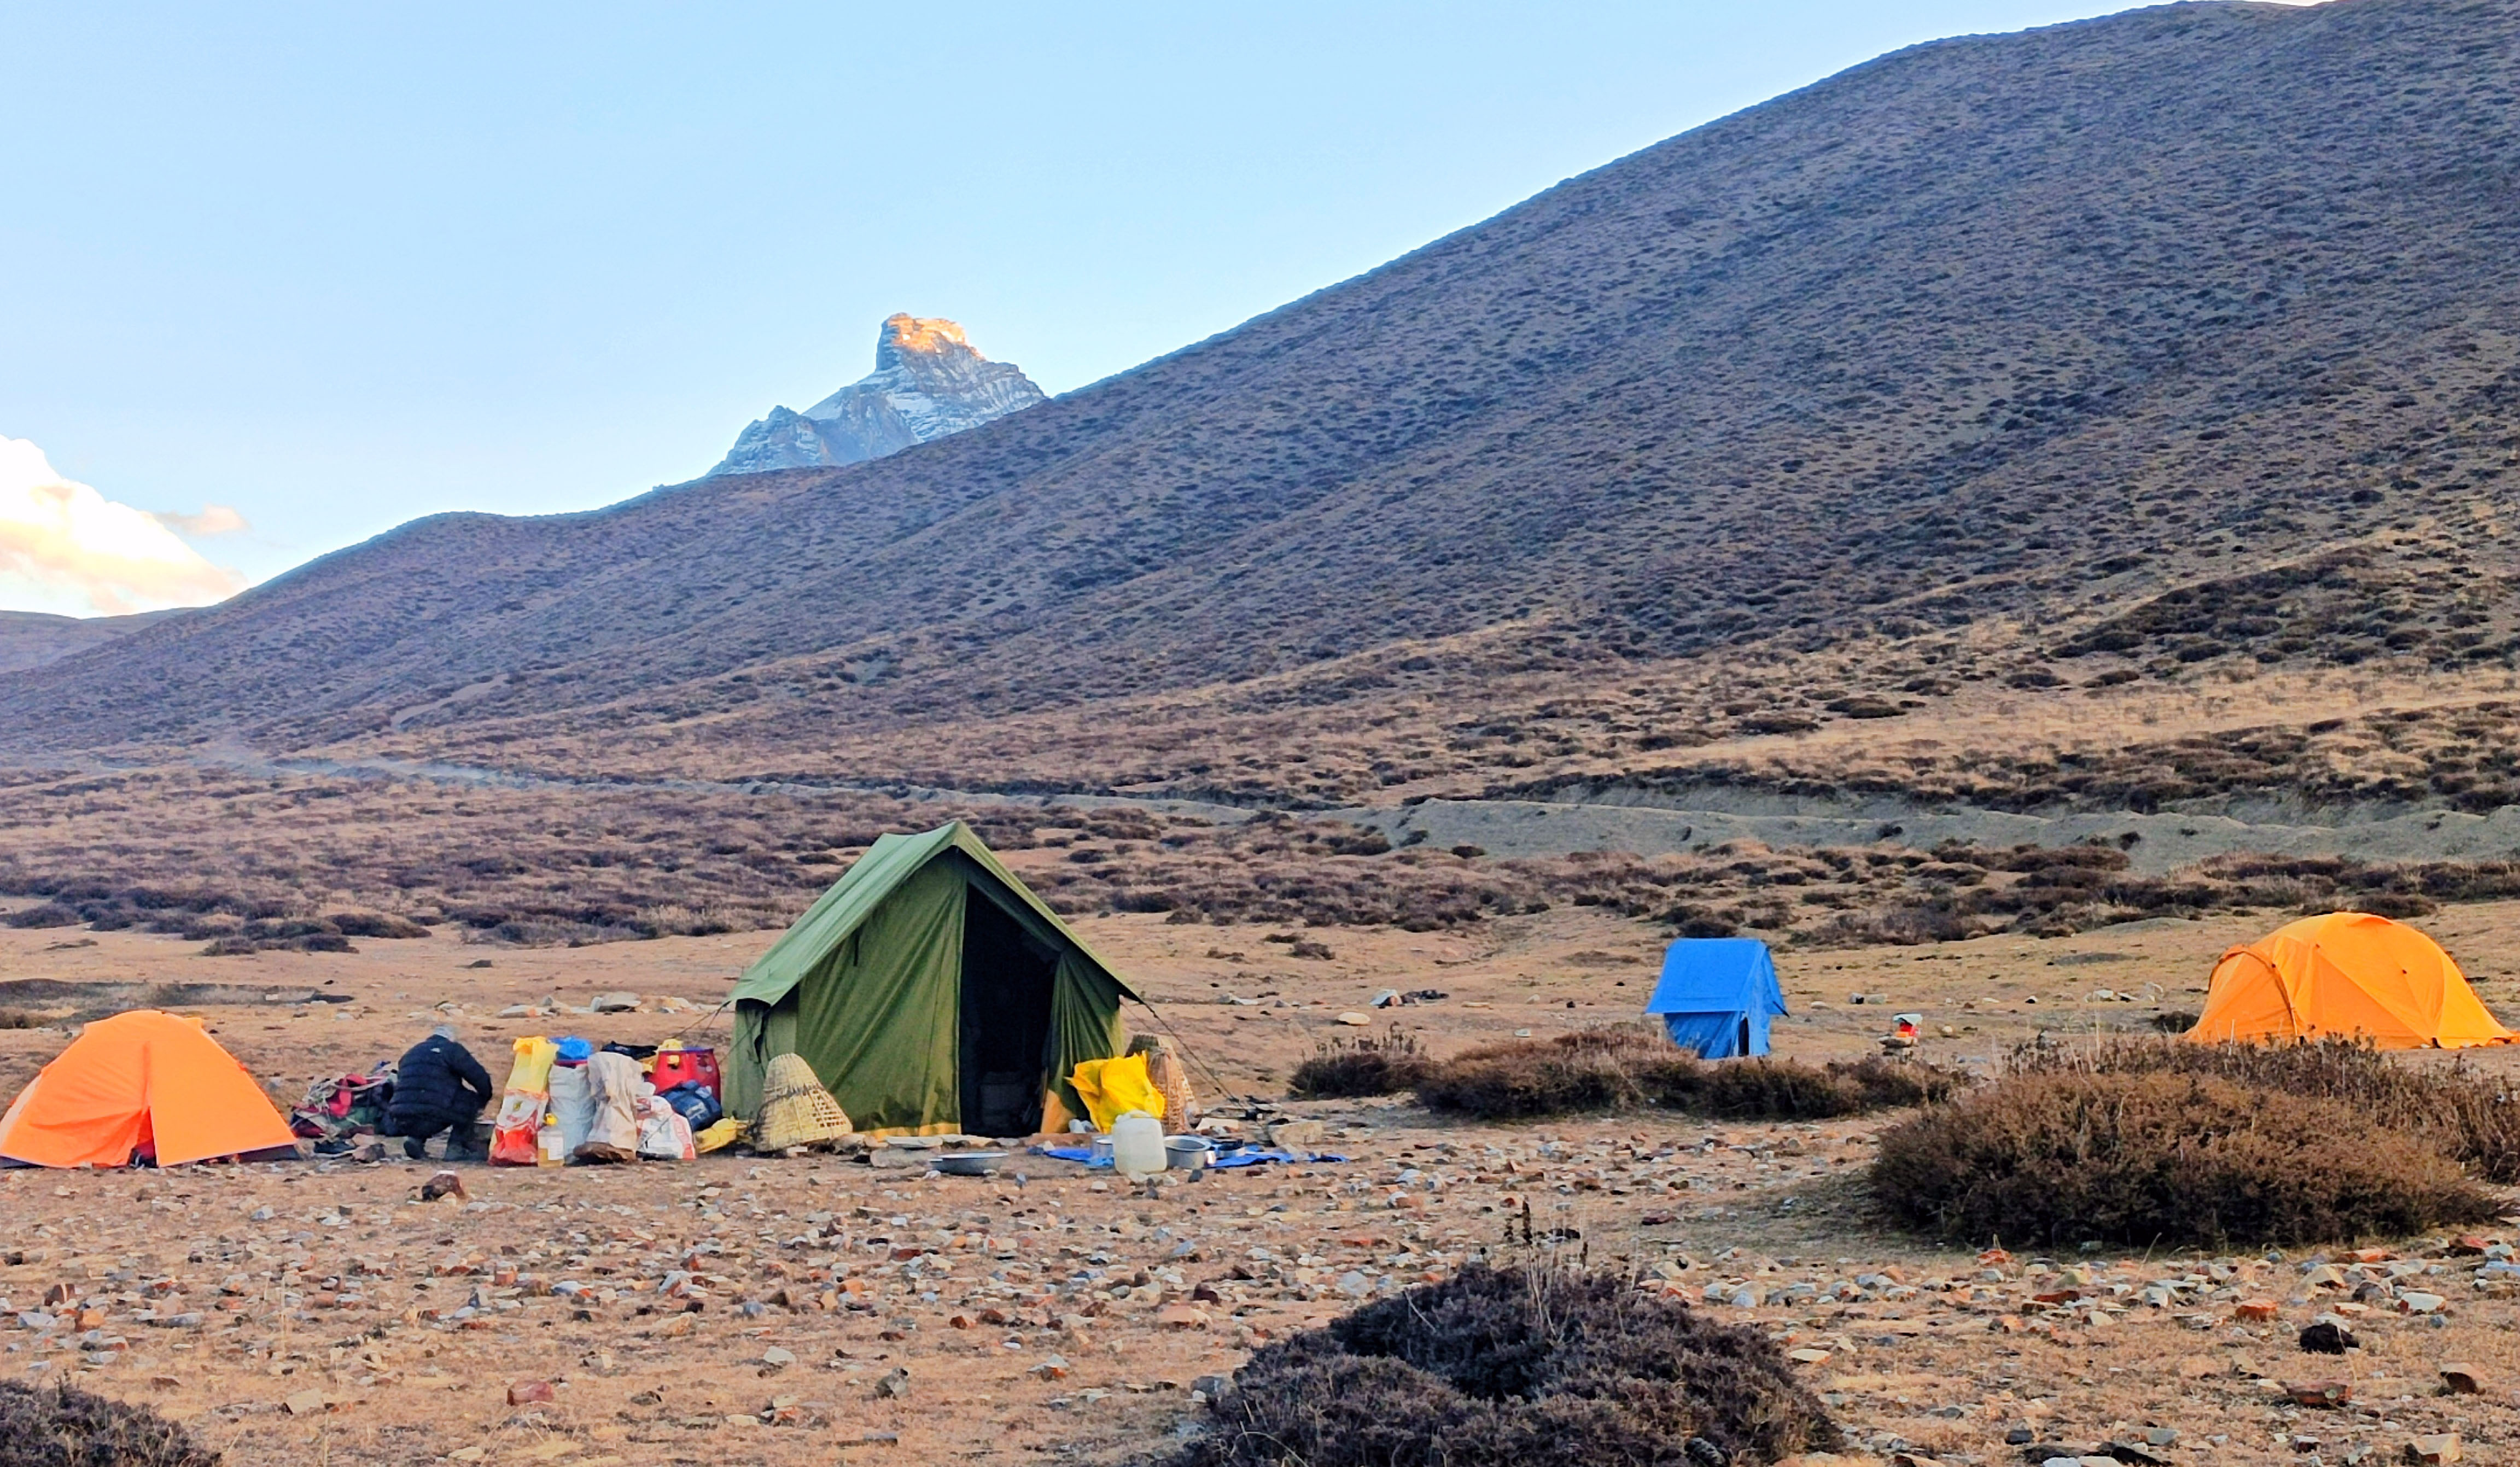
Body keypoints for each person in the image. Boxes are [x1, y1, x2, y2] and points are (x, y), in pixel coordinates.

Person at [384, 1025, 495, 1160]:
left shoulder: (411, 1052)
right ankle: (456, 1149)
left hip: (400, 1117)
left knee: (424, 1099)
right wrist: (484, 1099)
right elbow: (479, 1077)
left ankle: (415, 1140)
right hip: (433, 1114)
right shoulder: (451, 1049)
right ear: (451, 1038)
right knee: (469, 1102)